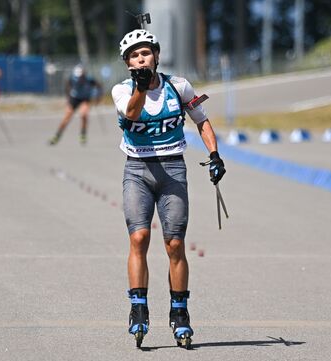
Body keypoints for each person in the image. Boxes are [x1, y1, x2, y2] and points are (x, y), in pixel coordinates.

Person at [111, 29, 226, 348]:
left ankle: (180, 313)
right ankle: (138, 308)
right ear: (127, 63)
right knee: (139, 237)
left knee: (175, 244)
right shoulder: (121, 90)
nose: (141, 59)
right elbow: (132, 113)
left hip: (173, 169)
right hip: (138, 170)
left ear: (156, 55)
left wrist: (214, 155)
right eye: (134, 56)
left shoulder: (179, 86)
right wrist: (141, 86)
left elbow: (201, 120)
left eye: (145, 53)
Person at [48, 64, 102, 145]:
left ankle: (83, 134)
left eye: (81, 76)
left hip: (85, 98)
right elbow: (67, 86)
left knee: (84, 114)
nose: (79, 78)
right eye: (78, 76)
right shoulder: (72, 78)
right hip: (74, 98)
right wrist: (68, 97)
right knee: (67, 117)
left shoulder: (89, 79)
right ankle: (57, 135)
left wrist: (98, 98)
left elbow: (99, 86)